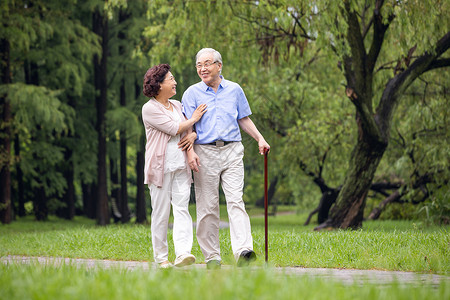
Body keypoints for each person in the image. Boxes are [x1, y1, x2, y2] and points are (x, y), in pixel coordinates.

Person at [182, 48, 270, 269]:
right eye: (199, 65)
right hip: (204, 152)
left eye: (207, 63)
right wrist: (190, 152)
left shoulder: (234, 90)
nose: (202, 68)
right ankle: (212, 257)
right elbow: (187, 126)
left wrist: (260, 138)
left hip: (232, 150)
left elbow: (244, 118)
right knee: (207, 206)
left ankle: (243, 252)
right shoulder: (192, 93)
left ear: (219, 66)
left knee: (236, 201)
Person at [142, 63, 207, 268]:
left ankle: (183, 253)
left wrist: (193, 134)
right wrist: (194, 119)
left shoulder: (177, 105)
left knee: (182, 209)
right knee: (161, 213)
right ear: (159, 85)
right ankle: (161, 258)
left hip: (180, 166)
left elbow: (187, 131)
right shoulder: (149, 108)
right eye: (171, 79)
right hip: (160, 168)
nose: (175, 81)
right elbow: (174, 128)